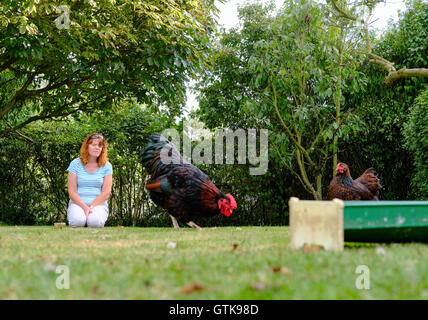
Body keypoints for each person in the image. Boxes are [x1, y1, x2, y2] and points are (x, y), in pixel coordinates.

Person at [66, 133, 113, 228]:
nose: (97, 148)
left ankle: (89, 218)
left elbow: (106, 193)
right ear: (87, 146)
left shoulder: (107, 166)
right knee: (77, 222)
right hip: (77, 204)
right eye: (94, 145)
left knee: (95, 222)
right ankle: (83, 218)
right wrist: (84, 207)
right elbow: (72, 192)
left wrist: (90, 207)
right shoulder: (75, 164)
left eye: (100, 146)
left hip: (98, 205)